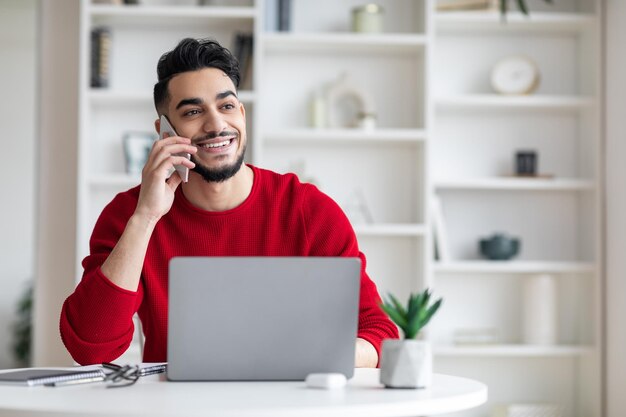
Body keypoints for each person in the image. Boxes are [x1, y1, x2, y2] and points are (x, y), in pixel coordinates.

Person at [59, 38, 398, 367]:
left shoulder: (308, 209)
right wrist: (146, 217)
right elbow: (91, 347)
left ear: (242, 114)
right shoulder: (130, 214)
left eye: (226, 106)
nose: (217, 124)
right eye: (193, 111)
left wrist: (303, 360)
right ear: (164, 132)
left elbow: (379, 332)